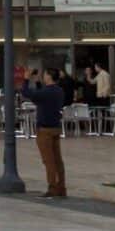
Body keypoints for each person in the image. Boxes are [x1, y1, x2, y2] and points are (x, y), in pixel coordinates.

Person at [27, 65, 71, 197]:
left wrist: (26, 80)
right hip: (55, 128)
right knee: (58, 160)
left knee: (49, 161)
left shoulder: (46, 92)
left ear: (49, 76)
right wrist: (37, 82)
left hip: (44, 130)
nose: (43, 76)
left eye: (45, 74)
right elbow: (41, 95)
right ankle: (61, 187)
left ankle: (52, 188)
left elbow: (28, 93)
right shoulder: (59, 91)